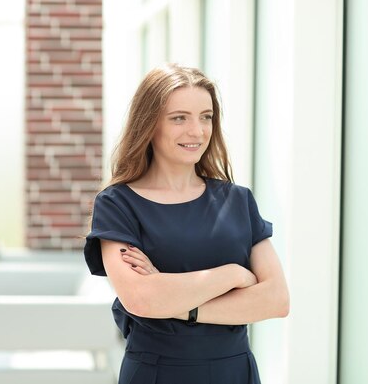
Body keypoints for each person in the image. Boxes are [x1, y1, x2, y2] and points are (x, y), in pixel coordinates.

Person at [84, 64, 290, 384]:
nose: (197, 131)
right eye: (180, 118)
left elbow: (276, 299)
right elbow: (140, 298)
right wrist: (231, 275)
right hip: (156, 372)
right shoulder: (117, 204)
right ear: (150, 124)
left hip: (233, 372)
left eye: (205, 117)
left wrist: (178, 303)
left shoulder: (237, 201)